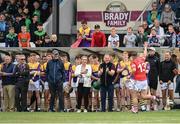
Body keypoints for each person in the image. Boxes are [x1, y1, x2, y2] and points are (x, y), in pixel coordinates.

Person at [130, 44, 160, 113]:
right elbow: (145, 54)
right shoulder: (142, 60)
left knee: (134, 95)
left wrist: (130, 75)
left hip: (137, 80)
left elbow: (134, 70)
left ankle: (135, 109)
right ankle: (154, 97)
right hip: (144, 80)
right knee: (143, 96)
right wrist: (145, 47)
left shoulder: (134, 62)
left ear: (134, 56)